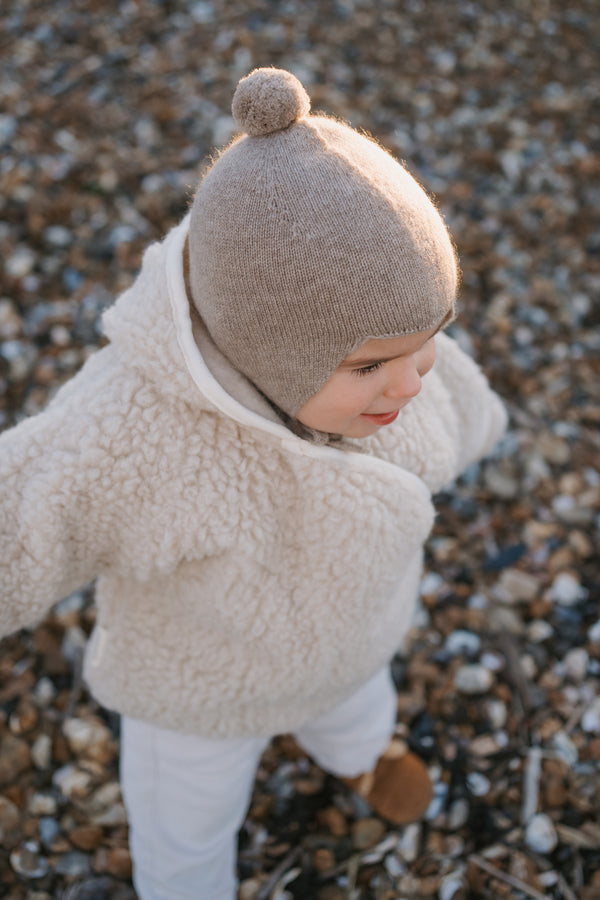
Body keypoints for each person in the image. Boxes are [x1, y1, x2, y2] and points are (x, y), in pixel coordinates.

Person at [0, 68, 507, 900]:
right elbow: (29, 505)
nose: (413, 379)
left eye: (429, 338)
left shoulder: (391, 371)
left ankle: (362, 758)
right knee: (187, 822)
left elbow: (455, 402)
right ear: (271, 353)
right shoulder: (141, 429)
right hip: (203, 688)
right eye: (372, 365)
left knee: (356, 703)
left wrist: (471, 415)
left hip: (350, 641)